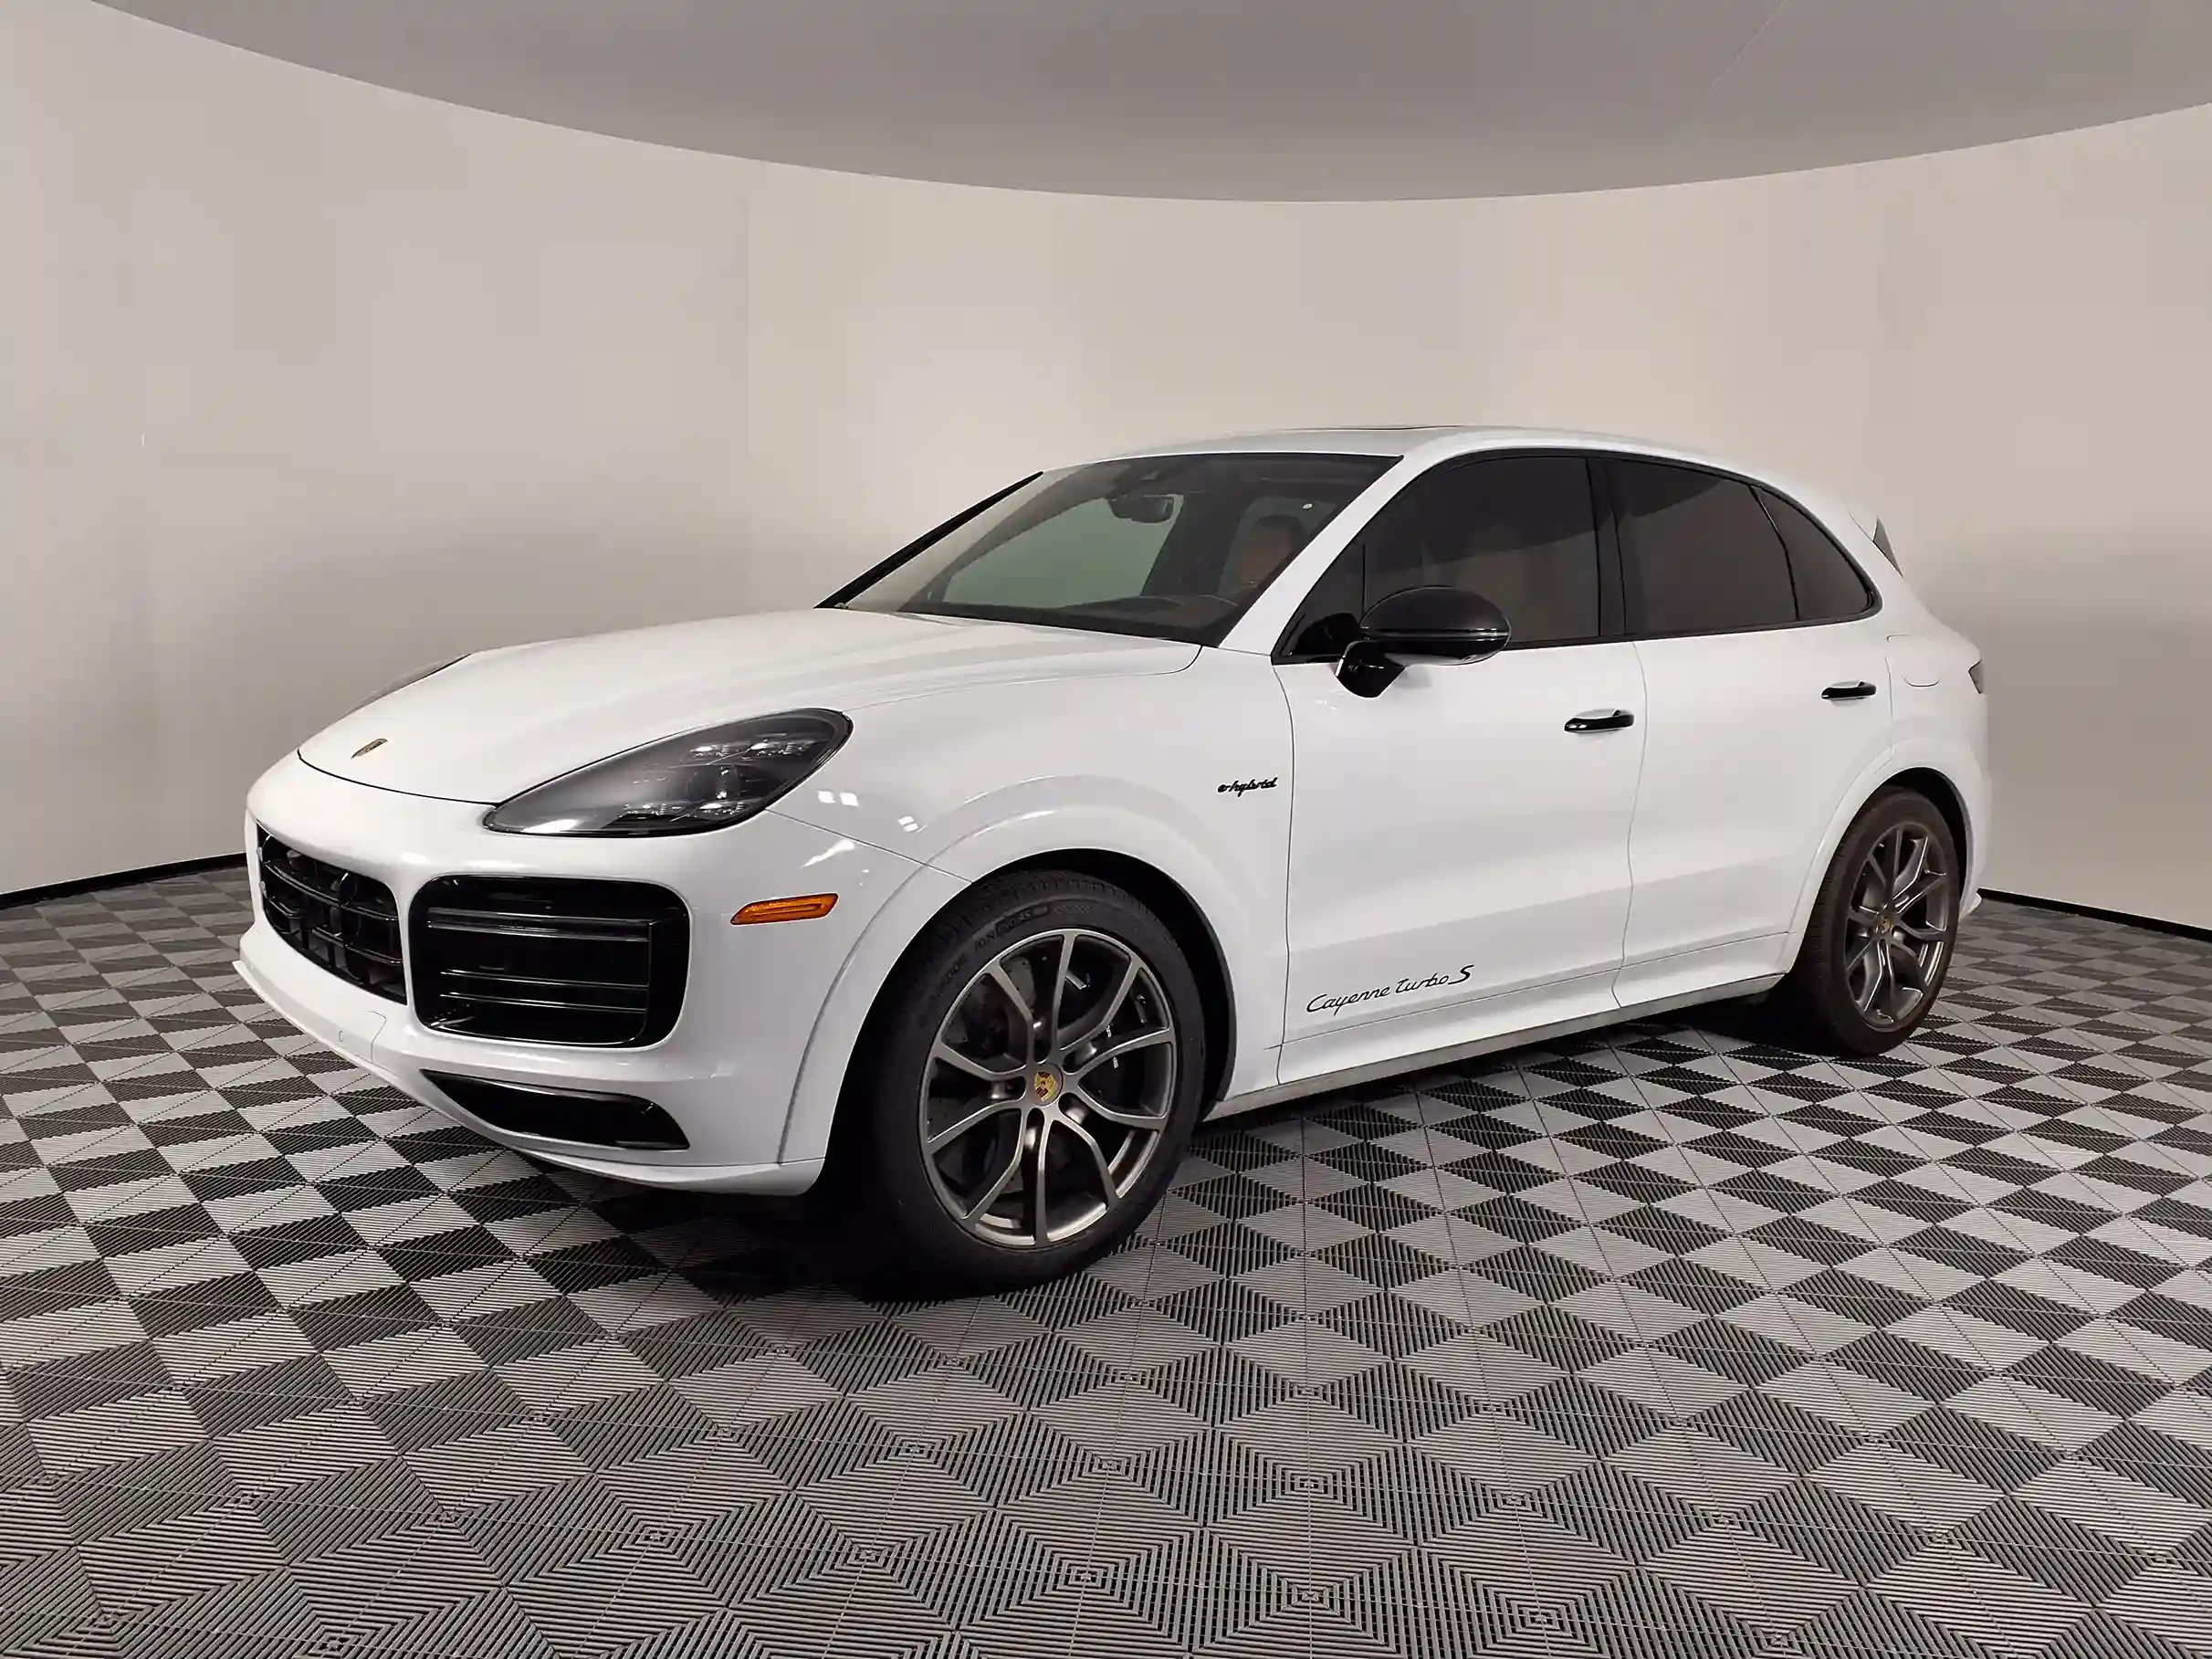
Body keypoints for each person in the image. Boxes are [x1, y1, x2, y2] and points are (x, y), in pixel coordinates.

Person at [1222, 513, 1308, 600]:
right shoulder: (1223, 606)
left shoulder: (1303, 606)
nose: (1256, 558)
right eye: (1253, 547)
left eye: (1271, 547)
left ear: (1295, 558)